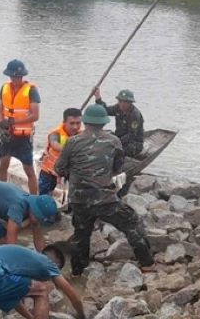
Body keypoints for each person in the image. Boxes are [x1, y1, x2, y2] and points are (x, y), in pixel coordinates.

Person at [54, 103, 156, 275]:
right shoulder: (113, 141)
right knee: (132, 223)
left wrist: (75, 172)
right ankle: (147, 264)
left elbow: (59, 169)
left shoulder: (72, 142)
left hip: (79, 200)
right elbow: (118, 167)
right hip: (105, 199)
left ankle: (78, 270)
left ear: (85, 122)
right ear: (104, 123)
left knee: (81, 235)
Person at [0, 59, 40, 194]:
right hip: (7, 135)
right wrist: (0, 124)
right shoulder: (4, 88)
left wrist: (14, 122)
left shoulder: (31, 90)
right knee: (3, 165)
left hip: (23, 137)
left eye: (18, 76)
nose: (16, 79)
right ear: (9, 76)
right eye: (14, 76)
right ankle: (0, 194)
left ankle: (34, 199)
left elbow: (35, 115)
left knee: (29, 170)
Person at [38, 107, 83, 196]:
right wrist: (71, 149)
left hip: (69, 170)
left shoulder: (82, 134)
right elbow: (54, 144)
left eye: (78, 123)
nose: (75, 127)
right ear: (64, 122)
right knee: (44, 194)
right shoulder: (56, 134)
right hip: (50, 171)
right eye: (72, 123)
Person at [93, 86, 145, 157]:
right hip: (119, 138)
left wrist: (116, 142)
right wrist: (98, 97)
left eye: (125, 102)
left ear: (130, 103)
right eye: (120, 101)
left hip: (133, 143)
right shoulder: (118, 108)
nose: (122, 104)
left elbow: (131, 135)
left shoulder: (134, 115)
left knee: (113, 152)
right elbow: (105, 110)